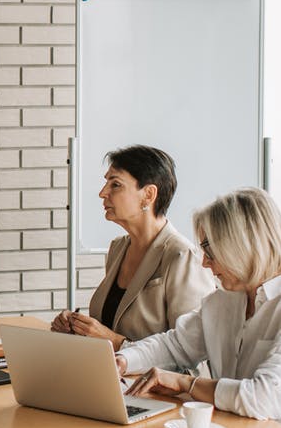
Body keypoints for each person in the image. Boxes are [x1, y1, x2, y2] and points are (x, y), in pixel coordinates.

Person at [119, 187, 281, 428]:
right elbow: (175, 345)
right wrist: (121, 361)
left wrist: (187, 384)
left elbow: (265, 398)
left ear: (242, 244)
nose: (205, 263)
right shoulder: (226, 300)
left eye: (209, 250)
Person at [50, 145, 214, 350]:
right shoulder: (118, 248)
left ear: (148, 195)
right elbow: (110, 326)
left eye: (115, 184)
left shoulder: (182, 257)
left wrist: (115, 342)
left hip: (145, 381)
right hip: (107, 378)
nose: (102, 193)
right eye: (106, 183)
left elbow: (193, 356)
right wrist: (77, 328)